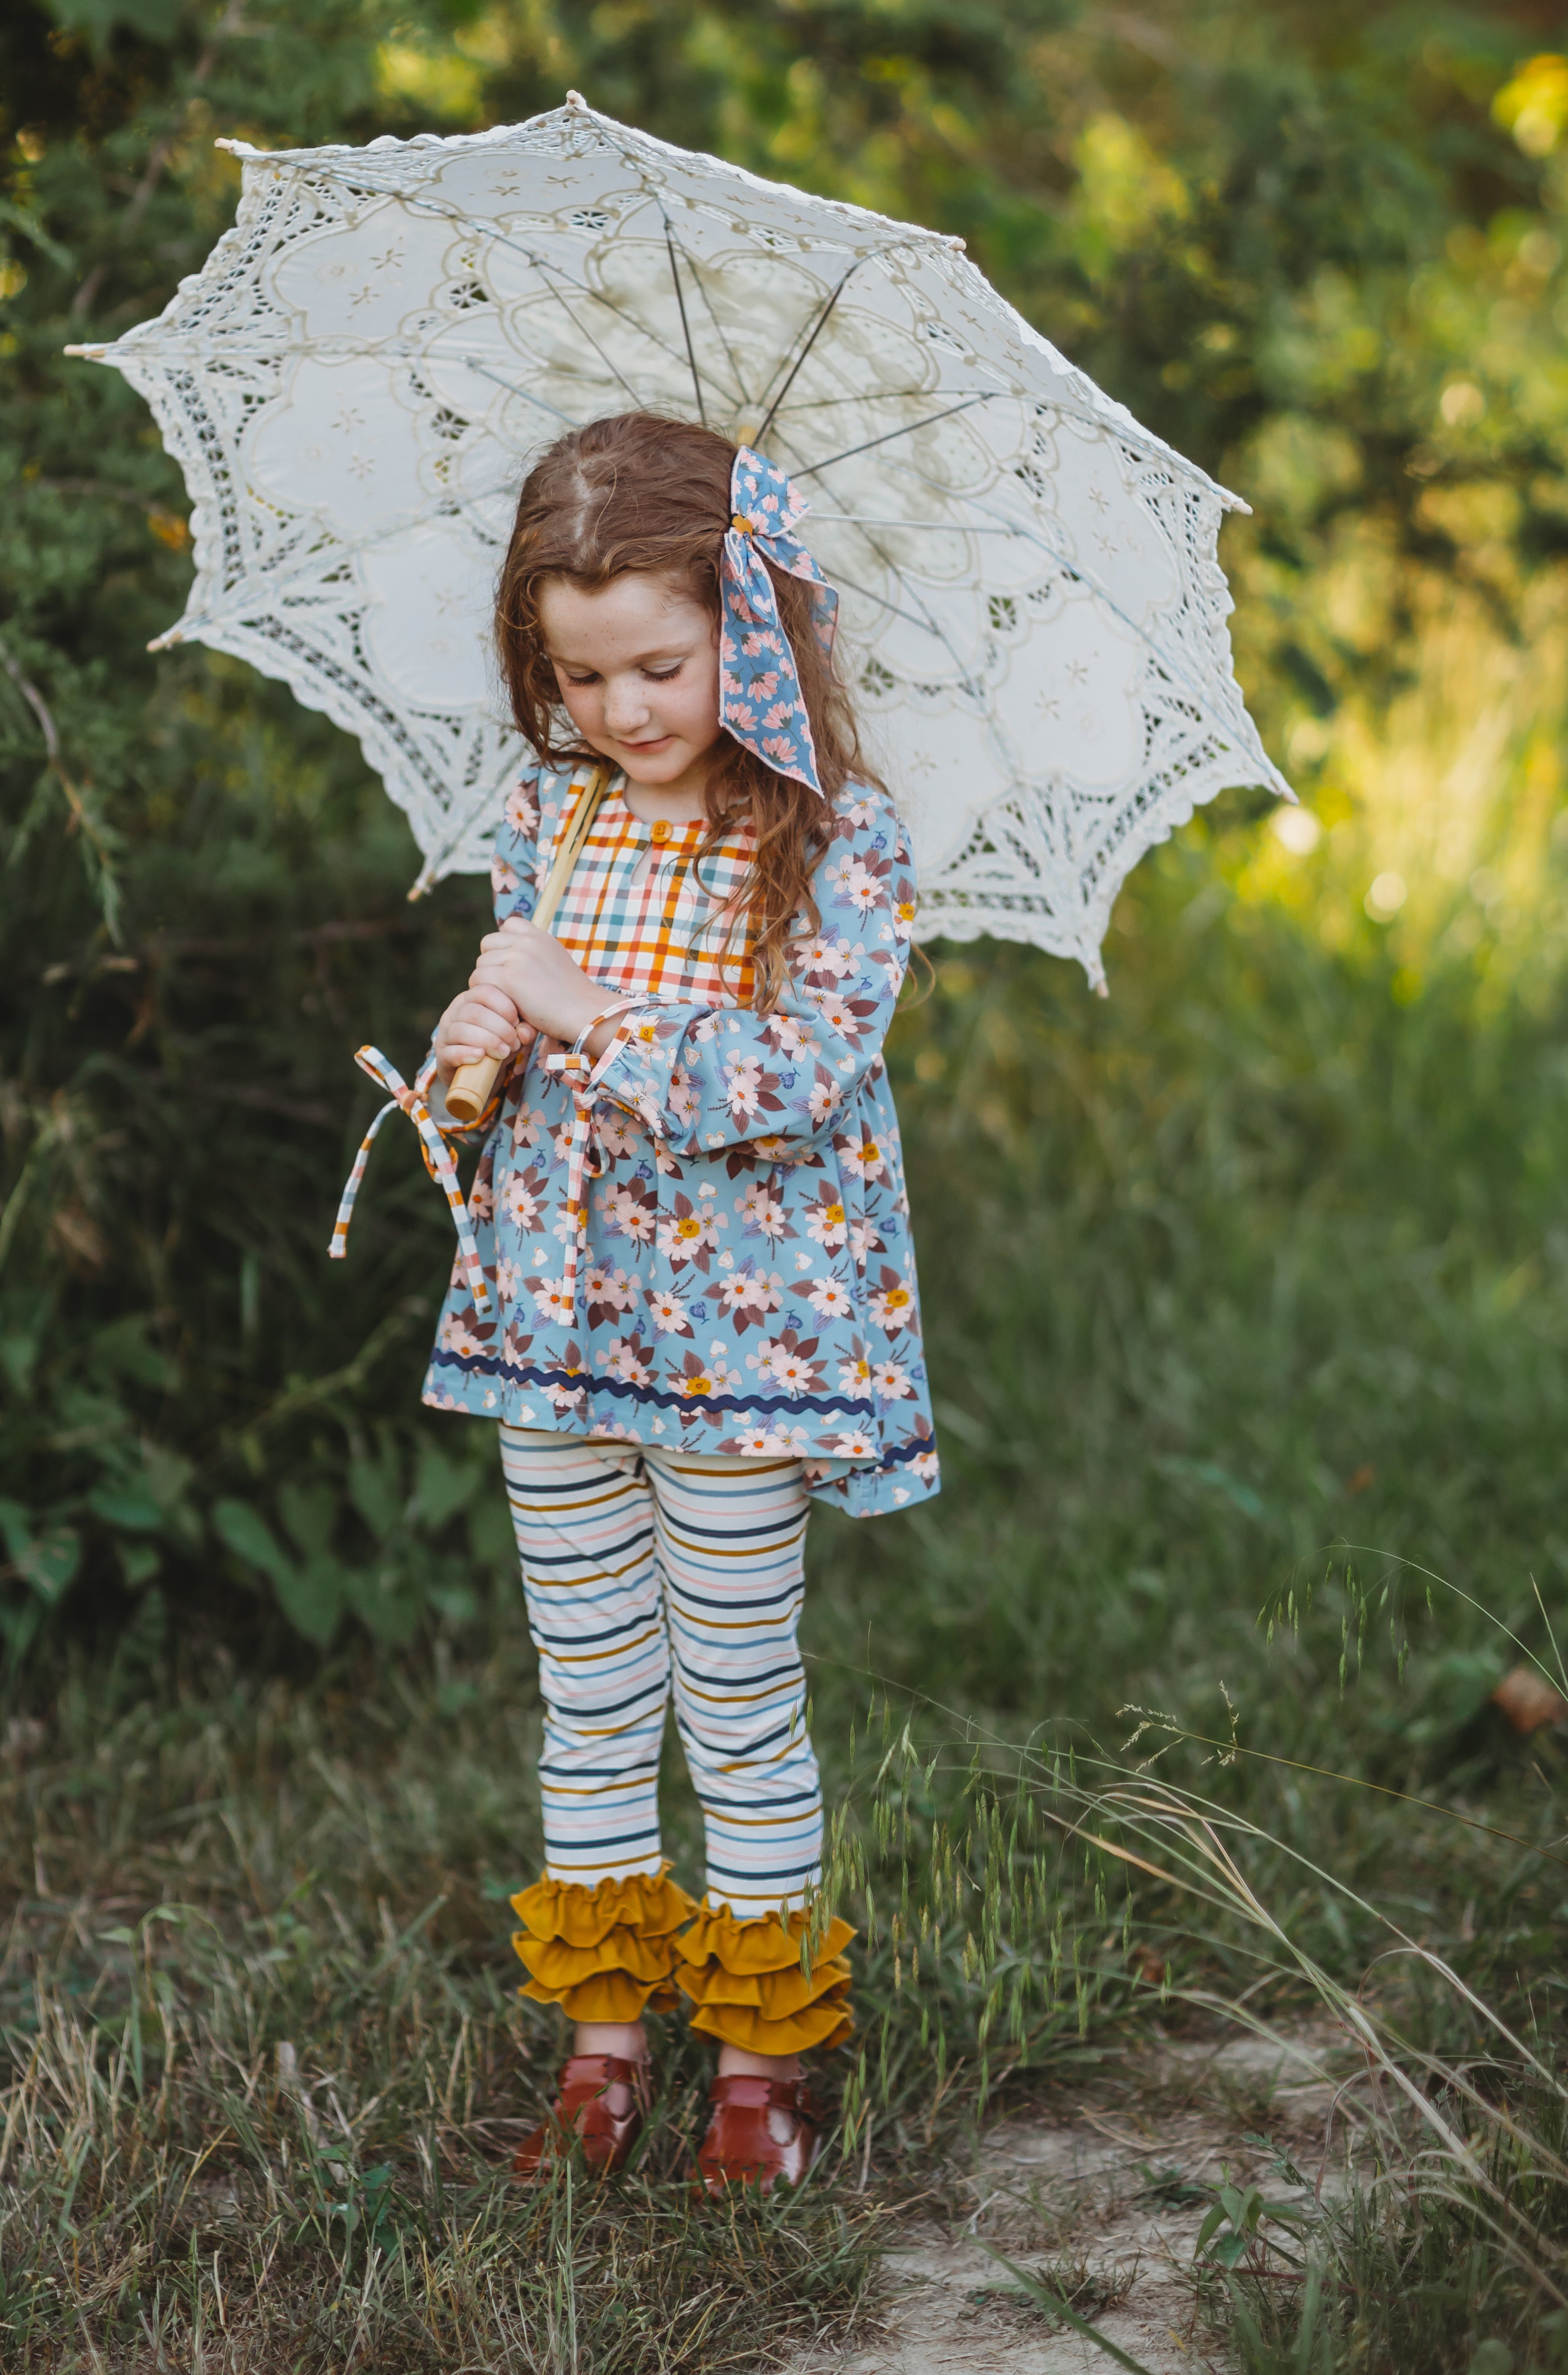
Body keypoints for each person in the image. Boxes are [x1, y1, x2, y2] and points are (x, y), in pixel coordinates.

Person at [336, 411, 938, 2190]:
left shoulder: (832, 841)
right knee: (592, 1691)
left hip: (743, 1356)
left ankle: (764, 2059)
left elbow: (798, 1078)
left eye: (658, 666)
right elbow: (524, 1024)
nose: (622, 711)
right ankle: (605, 2045)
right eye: (578, 673)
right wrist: (479, 1043)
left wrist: (589, 1011)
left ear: (752, 629)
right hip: (557, 1329)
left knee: (737, 1692)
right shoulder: (553, 816)